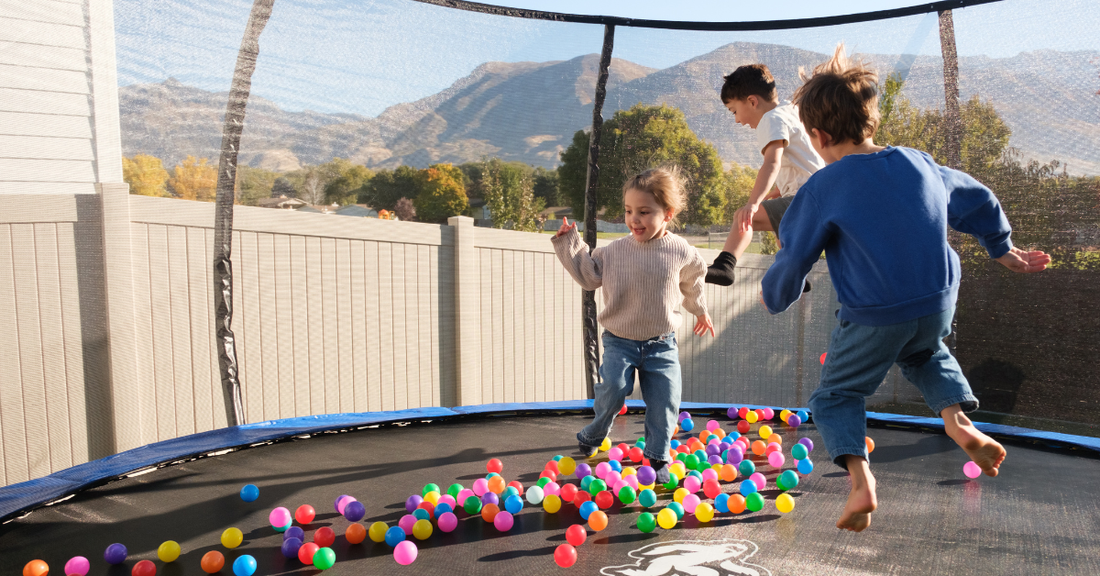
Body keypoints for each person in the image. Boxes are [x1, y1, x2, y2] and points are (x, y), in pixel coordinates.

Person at [760, 46, 1051, 532]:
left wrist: (776, 293)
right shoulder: (919, 162)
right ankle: (960, 424)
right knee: (923, 354)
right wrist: (1002, 248)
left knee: (836, 395)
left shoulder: (824, 186)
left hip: (876, 312)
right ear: (870, 120)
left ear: (817, 135)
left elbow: (795, 254)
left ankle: (860, 481)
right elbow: (978, 197)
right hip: (937, 301)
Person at [552, 167, 715, 485]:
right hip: (619, 340)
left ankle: (657, 457)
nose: (634, 219)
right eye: (628, 211)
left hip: (661, 344)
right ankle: (594, 432)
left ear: (667, 214)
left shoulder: (680, 250)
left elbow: (694, 281)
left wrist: (700, 312)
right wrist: (569, 242)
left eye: (644, 212)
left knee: (666, 400)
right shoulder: (614, 252)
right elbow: (589, 275)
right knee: (613, 388)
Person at [706, 64, 826, 286]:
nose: (737, 120)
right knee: (777, 221)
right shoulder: (791, 111)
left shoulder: (770, 119)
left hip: (808, 198)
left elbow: (772, 163)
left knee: (744, 217)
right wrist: (776, 191)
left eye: (734, 111)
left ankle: (724, 265)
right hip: (820, 193)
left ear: (752, 101)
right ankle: (795, 270)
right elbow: (802, 162)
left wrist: (752, 203)